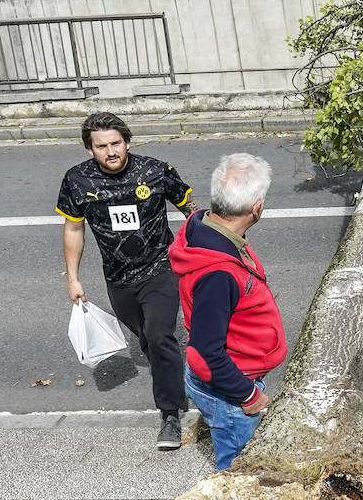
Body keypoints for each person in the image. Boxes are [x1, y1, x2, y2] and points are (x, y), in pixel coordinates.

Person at [57, 112, 195, 451]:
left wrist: (220, 240)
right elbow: (74, 229)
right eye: (101, 146)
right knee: (148, 340)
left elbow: (190, 209)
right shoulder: (77, 180)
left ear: (127, 142)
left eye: (116, 143)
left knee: (161, 336)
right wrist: (72, 278)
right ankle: (172, 376)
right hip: (118, 278)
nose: (110, 151)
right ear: (90, 150)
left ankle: (170, 414)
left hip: (161, 268)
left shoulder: (155, 170)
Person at [168, 153, 287, 471]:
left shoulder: (209, 228)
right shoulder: (218, 274)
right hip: (232, 389)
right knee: (237, 471)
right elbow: (204, 354)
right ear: (256, 207)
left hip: (233, 376)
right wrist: (248, 396)